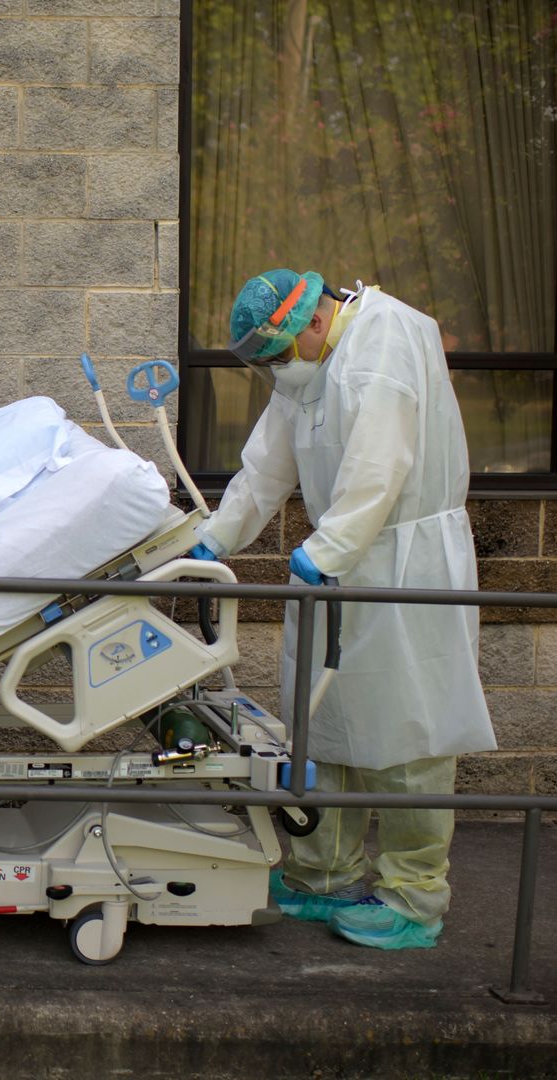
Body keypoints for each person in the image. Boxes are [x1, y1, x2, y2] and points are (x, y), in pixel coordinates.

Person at [190, 268, 496, 951]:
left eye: (275, 359)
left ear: (311, 324)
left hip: (401, 563)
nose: (276, 375)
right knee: (321, 716)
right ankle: (321, 874)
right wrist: (215, 535)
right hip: (341, 554)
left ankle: (413, 896)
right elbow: (268, 465)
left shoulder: (383, 350)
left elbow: (379, 469)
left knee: (408, 733)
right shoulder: (315, 364)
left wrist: (328, 547)